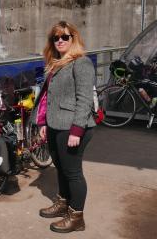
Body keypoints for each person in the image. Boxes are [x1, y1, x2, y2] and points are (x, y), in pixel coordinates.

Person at [36, 21, 96, 233]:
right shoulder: (55, 63)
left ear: (74, 39)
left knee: (73, 172)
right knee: (60, 168)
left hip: (73, 127)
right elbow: (47, 98)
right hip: (55, 124)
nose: (60, 40)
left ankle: (77, 217)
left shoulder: (81, 63)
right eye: (56, 37)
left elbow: (84, 99)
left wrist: (77, 131)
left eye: (65, 37)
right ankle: (63, 204)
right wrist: (43, 122)